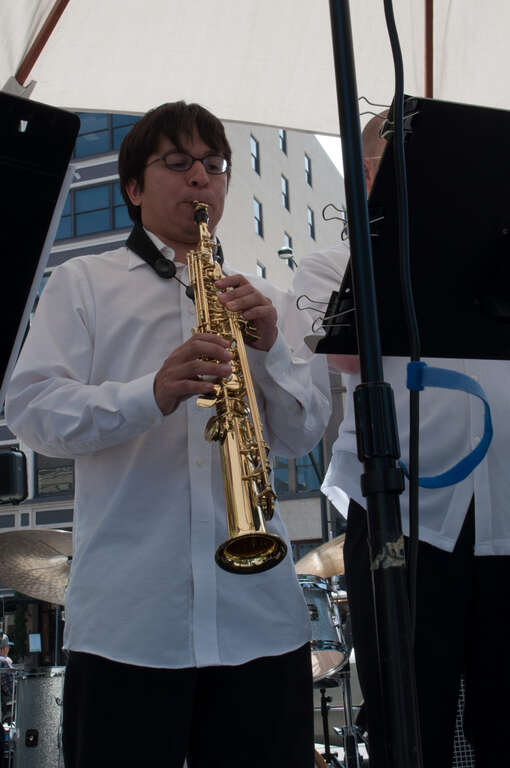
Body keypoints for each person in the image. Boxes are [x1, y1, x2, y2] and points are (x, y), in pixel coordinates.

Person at [5, 101, 331, 768]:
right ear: (133, 187)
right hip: (129, 625)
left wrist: (270, 351)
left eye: (214, 166)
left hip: (259, 623)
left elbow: (303, 435)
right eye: (177, 164)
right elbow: (32, 412)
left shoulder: (261, 294)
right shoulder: (82, 284)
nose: (200, 181)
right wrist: (148, 394)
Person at [293, 113, 510, 768]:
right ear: (368, 177)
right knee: (410, 724)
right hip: (404, 518)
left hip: (504, 516)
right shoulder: (330, 263)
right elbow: (349, 358)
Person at [0, 634, 14, 723]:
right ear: (4, 649)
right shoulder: (3, 662)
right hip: (4, 708)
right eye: (8, 647)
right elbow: (10, 691)